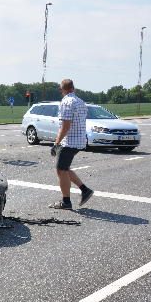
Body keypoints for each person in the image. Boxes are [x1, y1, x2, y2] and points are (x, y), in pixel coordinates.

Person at [49, 78, 95, 209]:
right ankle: (85, 190)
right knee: (65, 168)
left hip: (69, 142)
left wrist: (56, 143)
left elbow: (65, 126)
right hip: (79, 140)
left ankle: (66, 202)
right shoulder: (80, 102)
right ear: (73, 88)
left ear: (61, 89)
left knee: (61, 170)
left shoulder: (66, 102)